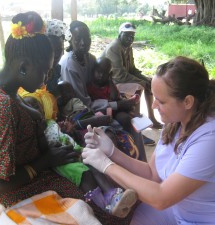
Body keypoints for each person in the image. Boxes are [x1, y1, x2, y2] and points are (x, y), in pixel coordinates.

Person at [0, 12, 133, 225]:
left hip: (40, 168)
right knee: (109, 218)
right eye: (45, 72)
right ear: (23, 67)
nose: (47, 79)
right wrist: (45, 161)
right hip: (19, 191)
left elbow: (16, 116)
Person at [82, 56, 215, 224]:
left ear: (187, 101)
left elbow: (161, 198)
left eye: (161, 101)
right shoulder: (177, 123)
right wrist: (112, 152)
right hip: (181, 211)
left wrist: (106, 165)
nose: (153, 106)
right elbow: (152, 174)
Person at [21, 92, 138, 218]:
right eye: (29, 106)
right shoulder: (35, 131)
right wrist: (40, 130)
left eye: (37, 104)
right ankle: (104, 206)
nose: (35, 108)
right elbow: (45, 150)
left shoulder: (51, 122)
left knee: (94, 162)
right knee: (85, 175)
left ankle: (113, 194)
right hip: (62, 160)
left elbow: (64, 136)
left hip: (75, 149)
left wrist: (67, 130)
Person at [60, 20, 149, 158]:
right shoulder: (69, 65)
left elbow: (102, 83)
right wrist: (116, 105)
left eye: (87, 39)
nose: (83, 43)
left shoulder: (90, 58)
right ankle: (128, 156)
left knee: (128, 118)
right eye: (78, 39)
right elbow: (84, 103)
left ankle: (140, 159)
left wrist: (117, 102)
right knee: (117, 125)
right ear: (71, 40)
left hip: (99, 104)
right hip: (81, 111)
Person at [102, 21, 162, 131]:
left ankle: (151, 117)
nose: (130, 39)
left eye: (132, 36)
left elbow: (132, 69)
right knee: (139, 86)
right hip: (112, 83)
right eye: (127, 35)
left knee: (149, 82)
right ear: (120, 34)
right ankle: (136, 119)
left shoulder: (127, 47)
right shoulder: (114, 47)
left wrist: (146, 79)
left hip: (120, 79)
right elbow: (119, 75)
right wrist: (142, 82)